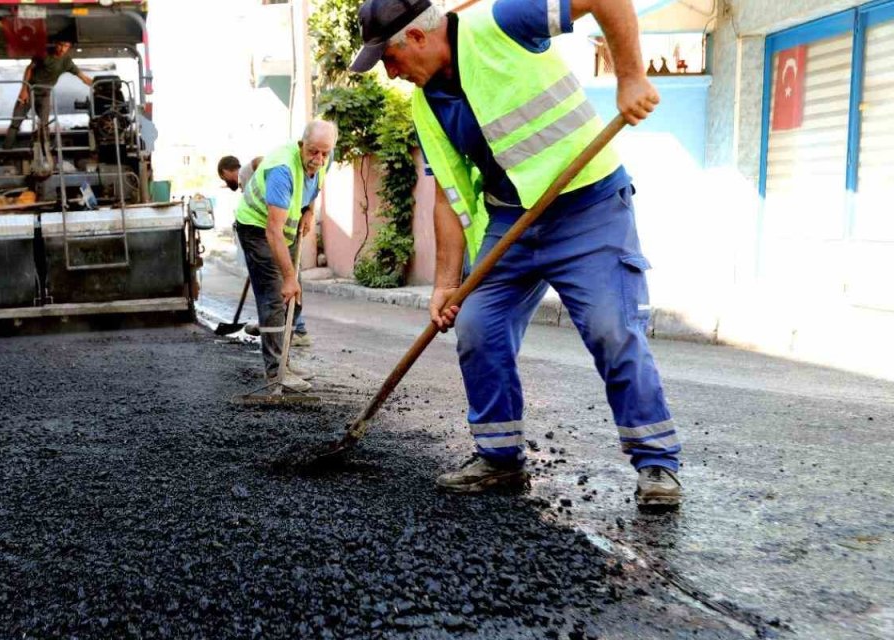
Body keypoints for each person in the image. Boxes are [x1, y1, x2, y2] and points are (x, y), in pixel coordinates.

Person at [350, 0, 680, 509]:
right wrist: (444, 284)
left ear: (416, 38)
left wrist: (630, 78)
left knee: (611, 328)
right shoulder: (427, 103)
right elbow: (449, 196)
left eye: (388, 59)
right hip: (511, 220)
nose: (390, 74)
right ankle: (498, 458)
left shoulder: (502, 21)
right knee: (477, 325)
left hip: (587, 206)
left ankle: (656, 462)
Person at [233, 121, 336, 392]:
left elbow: (315, 185)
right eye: (314, 152)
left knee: (294, 298)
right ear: (302, 145)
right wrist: (288, 278)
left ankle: (284, 363)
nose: (319, 159)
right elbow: (273, 231)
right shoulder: (282, 170)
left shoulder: (324, 155)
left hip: (284, 232)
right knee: (276, 296)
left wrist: (309, 211)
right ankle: (274, 372)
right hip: (258, 229)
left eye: (325, 154)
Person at [219, 154, 313, 346]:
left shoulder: (246, 172)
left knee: (282, 285)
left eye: (224, 178)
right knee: (280, 284)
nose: (227, 182)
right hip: (267, 234)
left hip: (274, 233)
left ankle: (296, 330)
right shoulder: (249, 176)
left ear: (225, 172)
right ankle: (288, 329)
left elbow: (263, 160)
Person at [3, 39, 94, 164]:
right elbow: (29, 69)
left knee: (44, 126)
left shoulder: (67, 62)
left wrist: (98, 84)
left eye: (66, 46)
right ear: (56, 44)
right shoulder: (43, 54)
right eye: (60, 45)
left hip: (45, 94)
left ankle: (44, 156)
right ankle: (4, 155)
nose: (62, 49)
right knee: (15, 123)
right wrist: (23, 90)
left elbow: (83, 78)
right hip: (30, 91)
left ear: (69, 47)